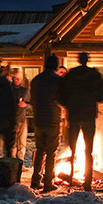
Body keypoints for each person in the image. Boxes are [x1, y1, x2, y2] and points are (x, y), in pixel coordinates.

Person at [57, 52, 103, 191]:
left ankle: (72, 177)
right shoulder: (94, 75)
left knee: (72, 148)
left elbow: (59, 94)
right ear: (87, 60)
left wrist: (68, 104)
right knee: (88, 149)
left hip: (73, 114)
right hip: (89, 114)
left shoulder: (71, 75)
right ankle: (87, 181)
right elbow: (102, 95)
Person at [30, 55, 62, 192]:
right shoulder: (58, 81)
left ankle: (35, 181)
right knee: (51, 152)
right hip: (52, 120)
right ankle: (48, 182)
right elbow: (62, 99)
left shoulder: (36, 80)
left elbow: (32, 99)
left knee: (40, 150)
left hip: (38, 120)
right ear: (55, 66)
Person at [11, 68, 30, 161]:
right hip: (11, 119)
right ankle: (12, 161)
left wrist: (26, 105)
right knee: (13, 142)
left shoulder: (25, 91)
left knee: (22, 142)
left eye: (18, 78)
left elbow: (32, 104)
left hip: (22, 119)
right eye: (14, 78)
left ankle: (20, 161)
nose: (16, 80)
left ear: (21, 79)